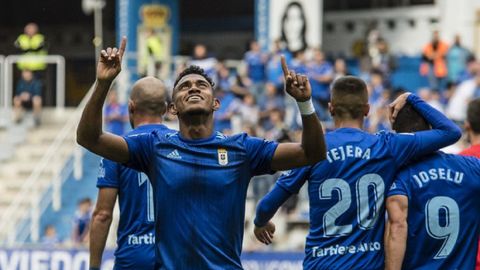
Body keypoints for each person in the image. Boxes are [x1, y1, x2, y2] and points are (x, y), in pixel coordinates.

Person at [76, 38, 326, 269]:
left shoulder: (242, 148)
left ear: (216, 103)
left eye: (202, 85)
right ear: (172, 108)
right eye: (184, 86)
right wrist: (103, 83)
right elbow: (89, 138)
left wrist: (304, 104)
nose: (193, 88)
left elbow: (311, 153)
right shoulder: (153, 147)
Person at [253, 76, 461, 269]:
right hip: (366, 265)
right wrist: (411, 97)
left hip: (321, 264)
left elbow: (267, 204)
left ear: (331, 109)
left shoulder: (313, 150)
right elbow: (450, 132)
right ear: (367, 110)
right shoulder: (386, 146)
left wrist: (261, 222)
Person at [385, 103, 480, 269]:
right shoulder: (471, 168)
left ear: (398, 135)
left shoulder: (401, 178)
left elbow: (397, 227)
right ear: (432, 130)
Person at [90, 76, 170, 270]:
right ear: (166, 109)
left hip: (133, 258)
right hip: (174, 258)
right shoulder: (184, 146)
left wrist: (93, 267)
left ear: (131, 107)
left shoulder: (115, 149)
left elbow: (102, 215)